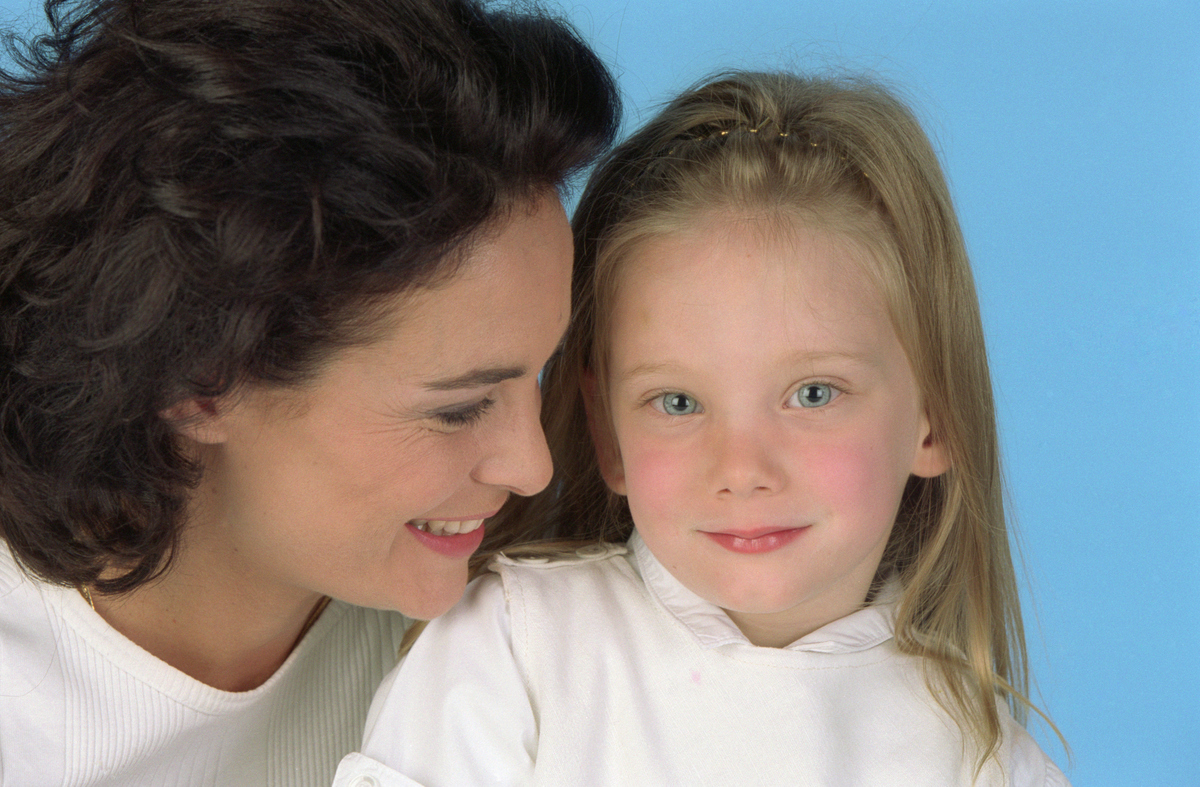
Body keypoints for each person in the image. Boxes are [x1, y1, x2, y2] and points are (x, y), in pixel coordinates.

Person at [333, 71, 1070, 786]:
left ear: (933, 416)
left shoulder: (985, 762)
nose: (742, 467)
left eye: (812, 393)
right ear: (607, 431)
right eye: (679, 402)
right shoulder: (511, 652)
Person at [0, 0, 618, 783]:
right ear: (200, 378)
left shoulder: (525, 623)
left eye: (538, 371)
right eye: (457, 407)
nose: (534, 468)